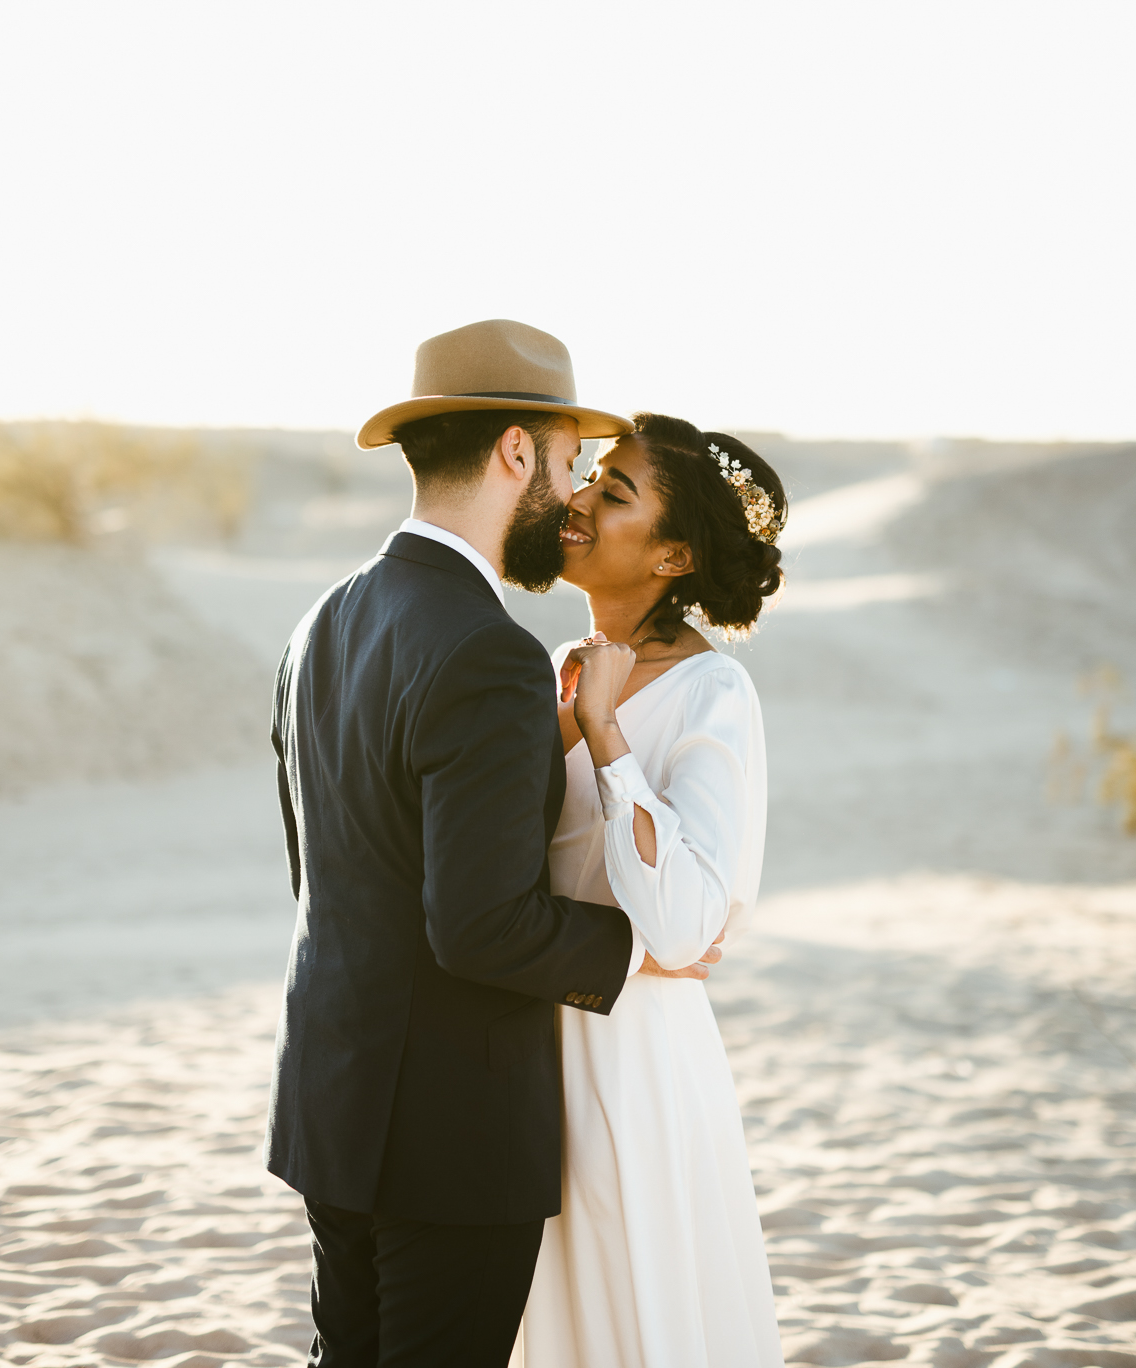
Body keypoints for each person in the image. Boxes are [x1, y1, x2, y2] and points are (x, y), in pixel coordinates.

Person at [263, 321, 719, 1368]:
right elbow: (477, 926)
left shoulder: (318, 627)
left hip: (332, 1105)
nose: (570, 498)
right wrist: (647, 951)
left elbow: (340, 865)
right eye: (568, 465)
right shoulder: (486, 650)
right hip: (449, 1136)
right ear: (516, 452)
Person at [514, 414, 789, 1367]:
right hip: (518, 1047)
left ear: (673, 554)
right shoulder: (552, 672)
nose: (580, 498)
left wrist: (605, 732)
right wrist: (561, 720)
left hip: (631, 1055)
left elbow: (680, 927)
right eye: (589, 477)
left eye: (613, 492)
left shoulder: (715, 693)